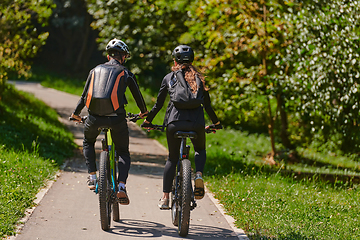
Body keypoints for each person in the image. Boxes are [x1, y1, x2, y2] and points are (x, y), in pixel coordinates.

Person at [141, 45, 222, 209]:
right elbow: (208, 107)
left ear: (174, 61)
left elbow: (157, 105)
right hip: (196, 124)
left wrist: (148, 121)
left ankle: (165, 198)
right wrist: (217, 123)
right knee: (200, 150)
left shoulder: (169, 78)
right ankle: (198, 174)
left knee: (172, 158)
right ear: (192, 60)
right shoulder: (199, 78)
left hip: (174, 123)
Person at [71, 38, 148, 205]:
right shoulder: (125, 72)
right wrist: (143, 113)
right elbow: (138, 96)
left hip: (93, 118)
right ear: (122, 57)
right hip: (117, 119)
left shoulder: (94, 71)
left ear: (108, 56)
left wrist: (76, 114)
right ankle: (121, 186)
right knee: (123, 152)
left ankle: (92, 177)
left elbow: (84, 97)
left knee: (88, 142)